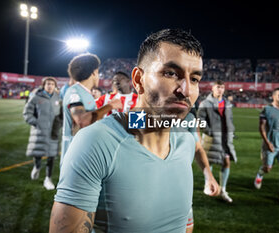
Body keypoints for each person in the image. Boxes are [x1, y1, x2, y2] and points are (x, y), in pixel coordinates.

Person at [49, 28, 206, 233]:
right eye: (170, 73)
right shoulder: (95, 142)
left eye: (194, 79)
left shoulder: (185, 142)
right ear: (139, 80)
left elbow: (185, 224)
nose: (185, 90)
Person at [60, 53, 122, 167]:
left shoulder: (86, 94)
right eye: (98, 72)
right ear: (94, 72)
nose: (98, 76)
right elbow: (82, 120)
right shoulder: (74, 92)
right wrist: (110, 106)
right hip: (74, 160)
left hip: (83, 155)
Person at [197, 80, 237, 203]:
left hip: (225, 139)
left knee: (226, 162)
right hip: (212, 138)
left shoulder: (227, 103)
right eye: (218, 87)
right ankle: (208, 184)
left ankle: (223, 190)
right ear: (212, 88)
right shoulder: (205, 103)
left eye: (222, 87)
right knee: (209, 162)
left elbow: (229, 119)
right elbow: (200, 120)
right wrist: (210, 131)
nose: (220, 89)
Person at [184, 108, 220, 233]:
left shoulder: (189, 114)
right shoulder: (138, 114)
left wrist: (209, 176)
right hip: (149, 188)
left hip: (182, 188)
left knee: (187, 229)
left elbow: (198, 148)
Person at [23, 77, 62, 190]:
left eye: (52, 84)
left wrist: (59, 124)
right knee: (38, 152)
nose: (50, 86)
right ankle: (37, 166)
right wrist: (36, 123)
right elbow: (27, 113)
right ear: (44, 85)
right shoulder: (36, 97)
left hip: (53, 132)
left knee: (51, 156)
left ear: (55, 86)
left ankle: (48, 179)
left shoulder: (58, 98)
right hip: (39, 131)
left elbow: (61, 114)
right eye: (48, 84)